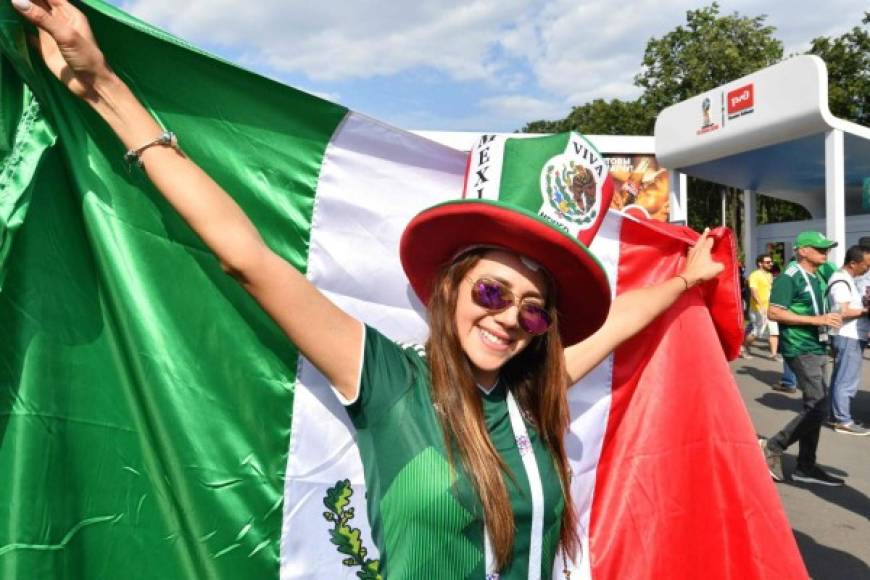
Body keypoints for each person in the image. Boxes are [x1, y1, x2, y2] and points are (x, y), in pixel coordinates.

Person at [11, 1, 725, 577]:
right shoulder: (386, 381)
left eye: (534, 312)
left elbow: (617, 323)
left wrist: (684, 281)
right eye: (491, 293)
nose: (511, 319)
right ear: (449, 290)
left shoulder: (532, 397)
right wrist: (102, 85)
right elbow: (247, 257)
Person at [762, 231, 844, 486]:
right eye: (820, 248)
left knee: (815, 406)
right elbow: (774, 313)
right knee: (819, 408)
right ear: (802, 251)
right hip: (800, 347)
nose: (825, 252)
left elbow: (847, 274)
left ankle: (806, 465)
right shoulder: (789, 278)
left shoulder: (821, 271)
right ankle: (772, 447)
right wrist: (816, 320)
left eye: (827, 248)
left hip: (818, 346)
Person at [825, 245, 870, 435]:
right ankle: (843, 420)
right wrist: (866, 310)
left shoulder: (847, 279)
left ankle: (836, 415)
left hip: (848, 335)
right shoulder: (841, 280)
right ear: (853, 263)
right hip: (848, 335)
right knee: (846, 380)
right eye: (866, 265)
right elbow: (842, 311)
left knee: (840, 378)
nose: (867, 269)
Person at [743, 254, 778, 359]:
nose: (771, 264)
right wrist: (761, 305)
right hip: (758, 309)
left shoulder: (769, 275)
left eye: (771, 262)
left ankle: (773, 354)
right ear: (760, 263)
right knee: (757, 332)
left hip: (770, 308)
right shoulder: (754, 275)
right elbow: (754, 291)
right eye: (768, 262)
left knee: (774, 331)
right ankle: (744, 348)